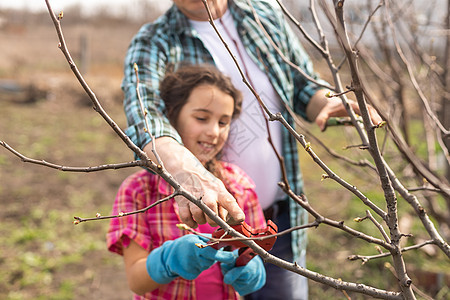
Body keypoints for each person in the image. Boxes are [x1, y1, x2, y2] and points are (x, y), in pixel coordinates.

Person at [121, 0, 383, 299]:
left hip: (276, 223)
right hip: (207, 222)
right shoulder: (154, 42)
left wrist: (330, 100)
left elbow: (303, 86)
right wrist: (190, 173)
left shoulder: (263, 14)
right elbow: (147, 120)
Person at [107, 64, 267, 299]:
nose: (214, 131)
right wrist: (168, 260)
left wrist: (254, 272)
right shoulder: (139, 191)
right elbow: (136, 280)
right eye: (202, 118)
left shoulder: (239, 186)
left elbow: (255, 248)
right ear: (171, 117)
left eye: (223, 122)